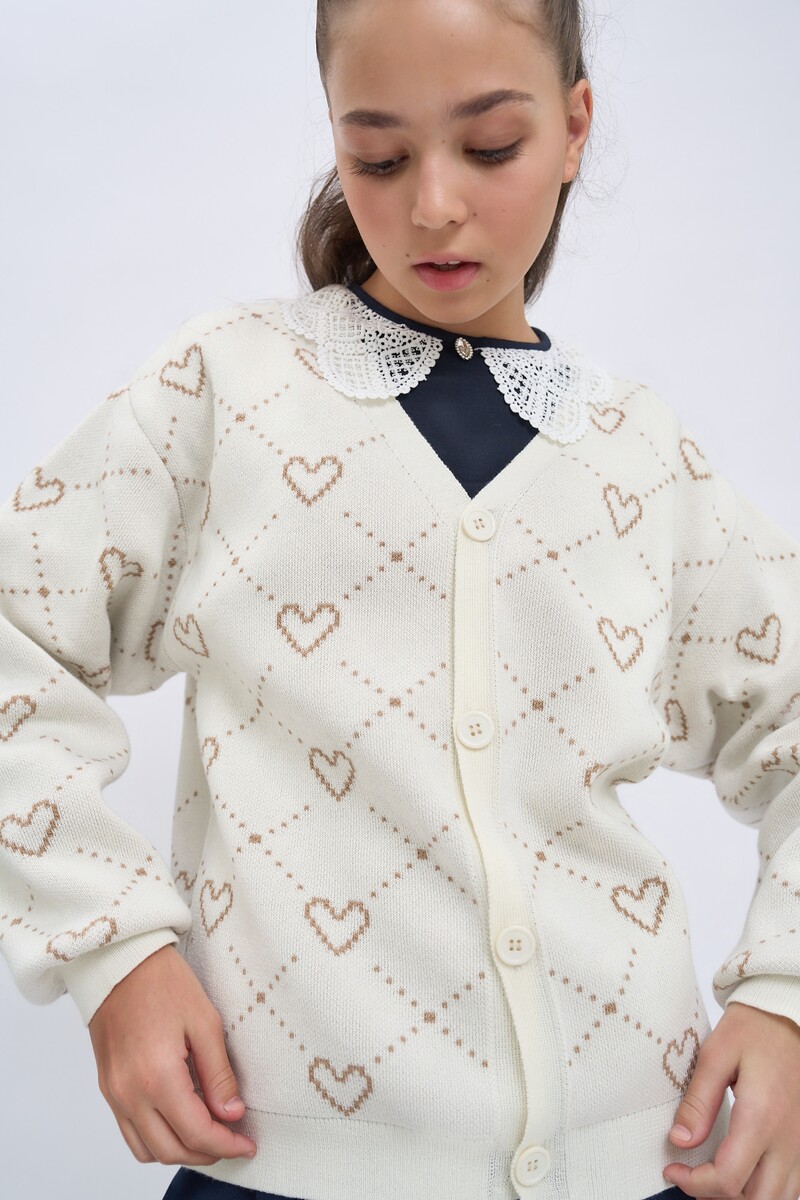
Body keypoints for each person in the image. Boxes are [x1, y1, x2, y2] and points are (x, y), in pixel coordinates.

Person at [1, 1, 799, 1199]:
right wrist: (111, 948)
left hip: (642, 1168)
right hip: (278, 1173)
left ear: (575, 126)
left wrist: (783, 999)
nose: (432, 205)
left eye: (489, 147)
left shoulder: (639, 455)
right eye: (376, 156)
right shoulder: (228, 393)